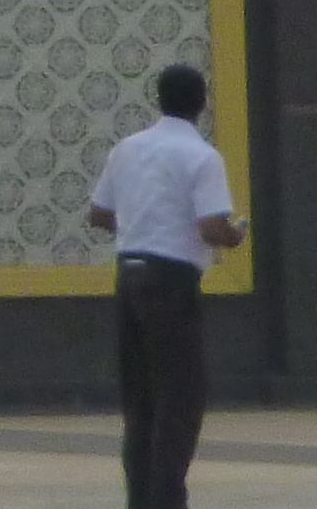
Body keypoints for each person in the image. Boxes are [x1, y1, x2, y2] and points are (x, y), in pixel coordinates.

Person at [86, 63, 242, 509]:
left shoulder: (127, 149)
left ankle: (141, 499)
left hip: (129, 275)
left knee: (140, 398)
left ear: (159, 99)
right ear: (201, 103)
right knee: (180, 395)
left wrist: (141, 221)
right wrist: (235, 235)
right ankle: (167, 501)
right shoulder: (202, 157)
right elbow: (212, 227)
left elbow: (99, 214)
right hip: (172, 280)